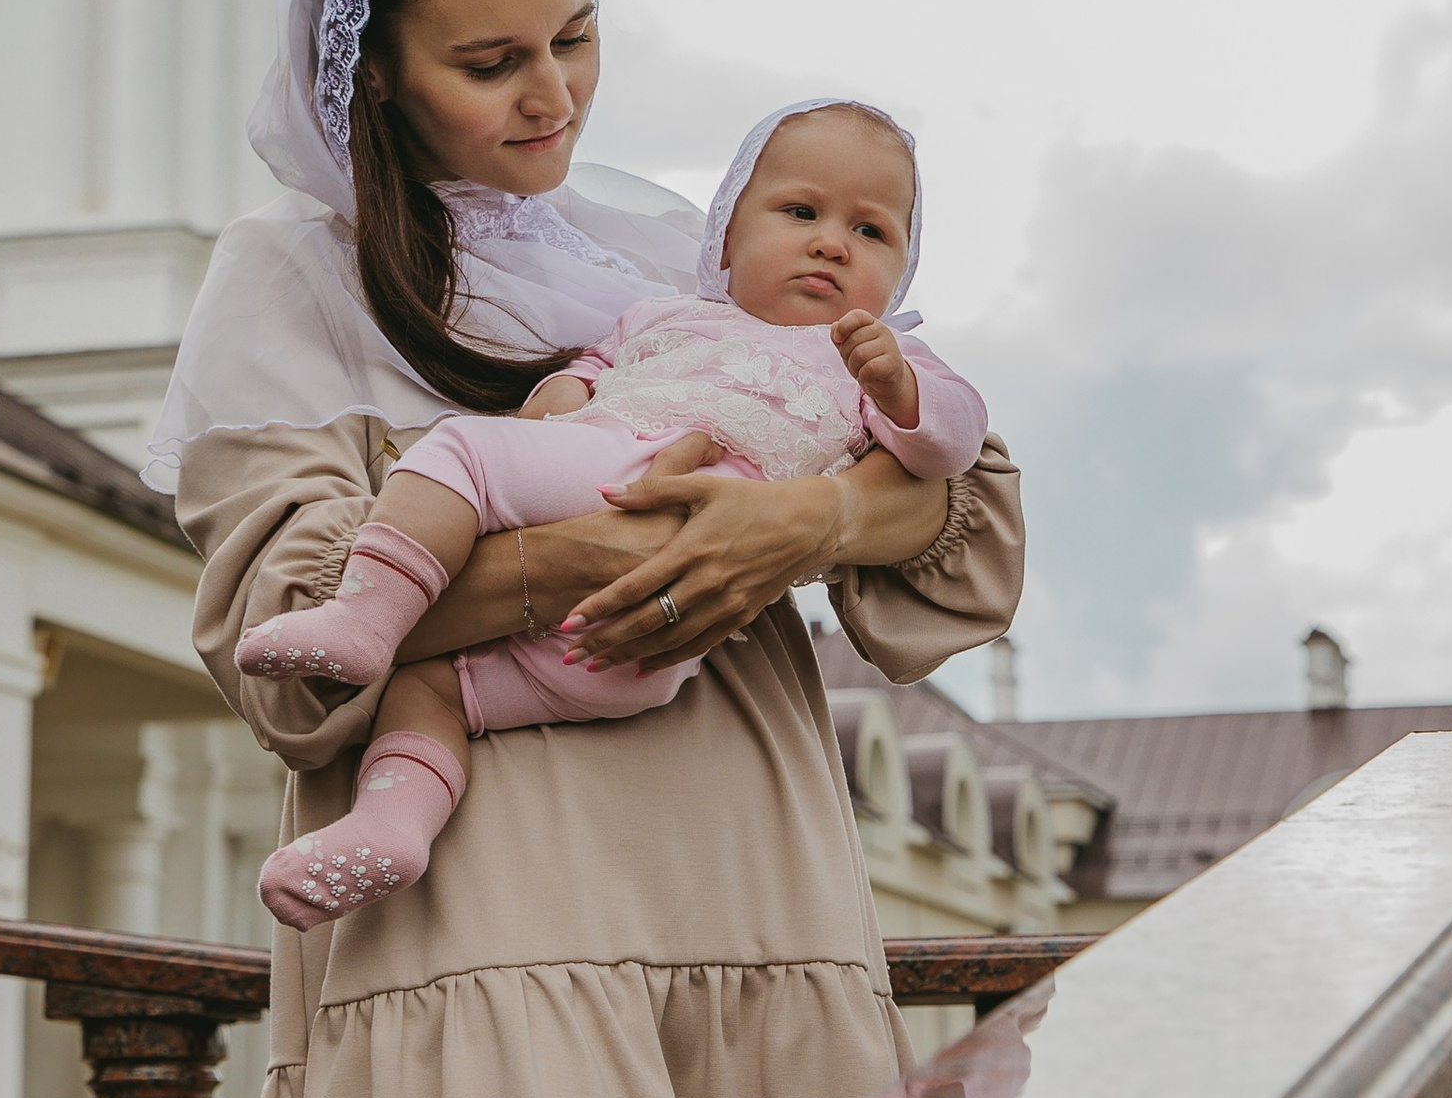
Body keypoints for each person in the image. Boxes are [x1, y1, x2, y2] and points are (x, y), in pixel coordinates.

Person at [152, 0, 1024, 1098]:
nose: (552, 95)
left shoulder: (672, 249)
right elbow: (286, 646)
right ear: (375, 78)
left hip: (755, 898)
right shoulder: (289, 281)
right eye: (489, 61)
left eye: (576, 37)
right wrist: (616, 548)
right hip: (492, 915)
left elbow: (962, 517)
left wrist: (805, 528)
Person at [235, 97, 988, 925]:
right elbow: (591, 370)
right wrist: (562, 395)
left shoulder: (883, 359)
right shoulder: (666, 315)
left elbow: (954, 446)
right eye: (800, 212)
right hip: (638, 636)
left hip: (662, 565)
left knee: (457, 451)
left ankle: (363, 616)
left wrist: (901, 389)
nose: (831, 243)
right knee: (433, 690)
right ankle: (392, 826)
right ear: (727, 241)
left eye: (872, 233)